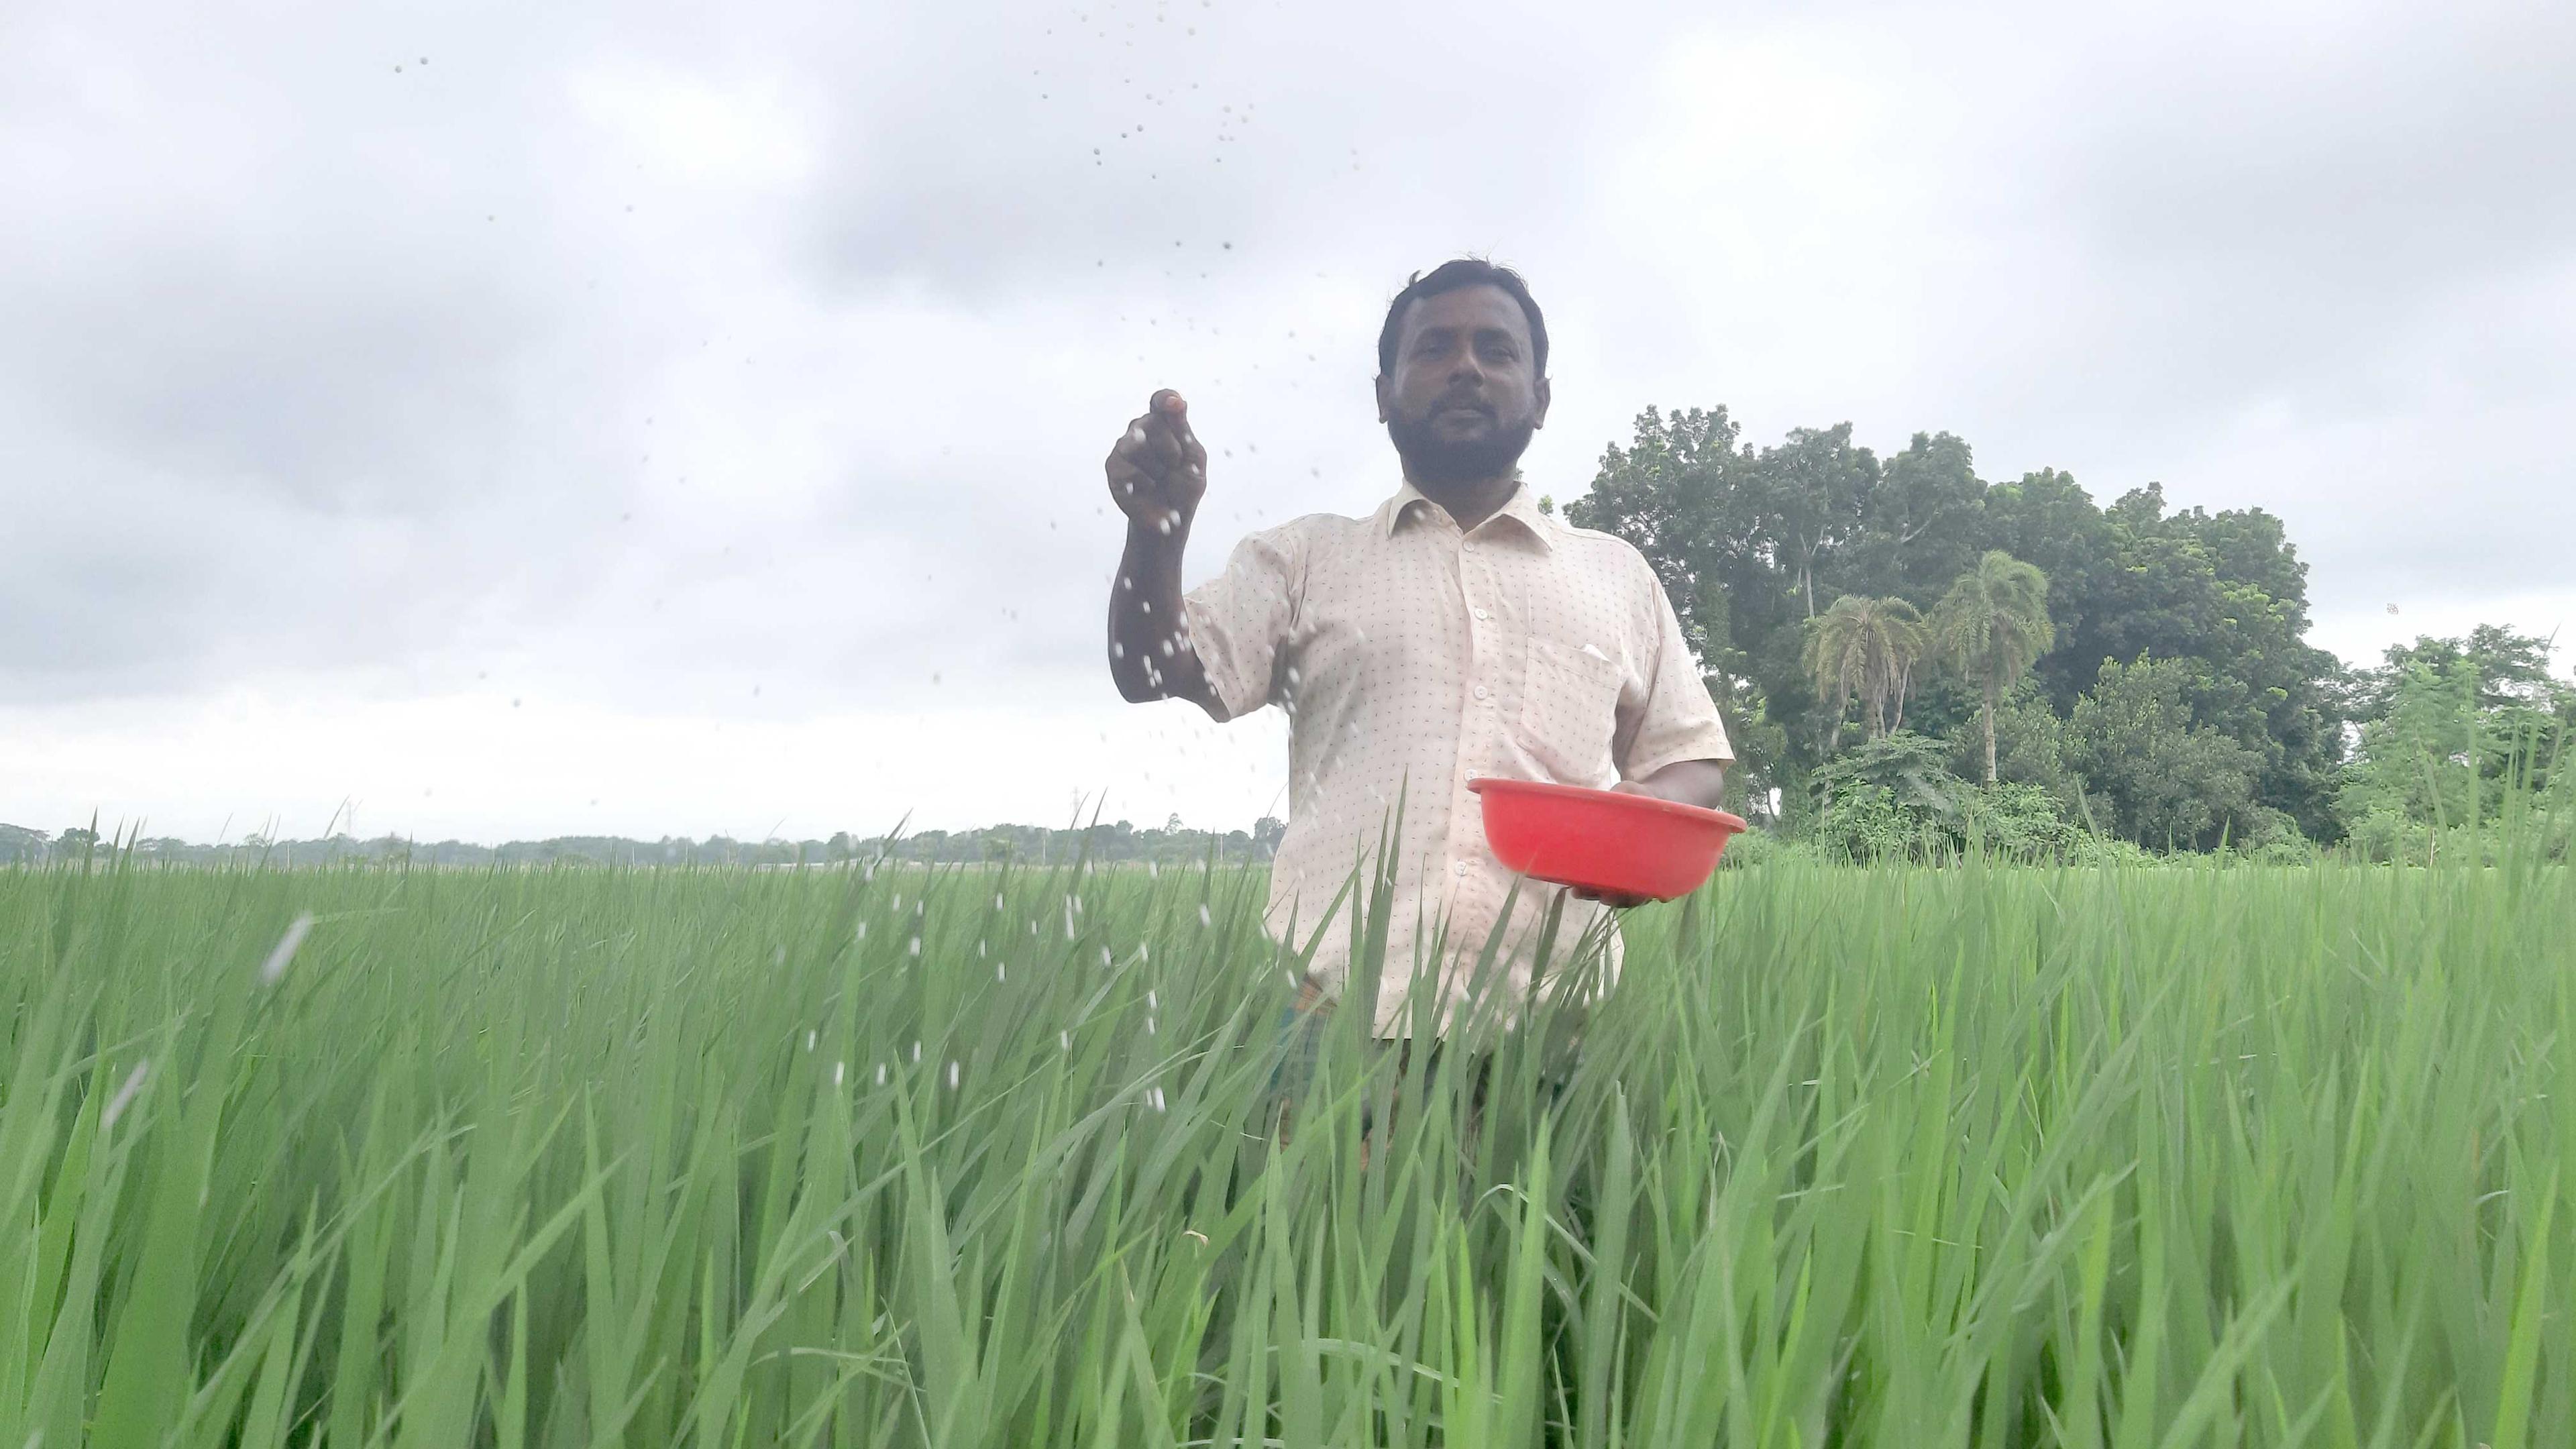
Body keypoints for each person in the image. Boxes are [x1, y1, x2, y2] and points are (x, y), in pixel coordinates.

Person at [1102, 258, 1732, 1144]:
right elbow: (1154, 668)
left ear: (1541, 396)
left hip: (1558, 1035)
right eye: (1433, 348)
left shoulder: (1614, 575)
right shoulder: (1307, 559)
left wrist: (1636, 834)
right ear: (1384, 393)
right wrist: (1154, 537)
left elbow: (1689, 760)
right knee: (1323, 1273)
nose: (1466, 367)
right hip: (1339, 1028)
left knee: (1545, 1278)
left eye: (1495, 350)